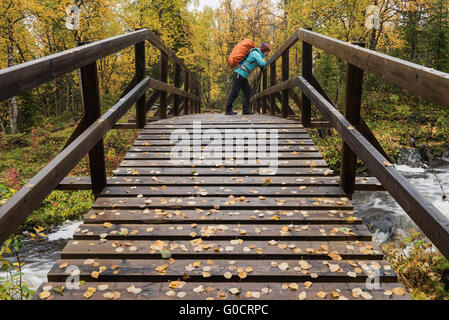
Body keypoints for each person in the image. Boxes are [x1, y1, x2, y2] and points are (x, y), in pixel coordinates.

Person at [225, 42, 271, 115]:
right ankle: (228, 110)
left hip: (242, 75)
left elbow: (253, 62)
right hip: (239, 74)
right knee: (234, 92)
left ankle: (245, 110)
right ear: (263, 50)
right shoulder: (256, 53)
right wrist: (261, 66)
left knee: (247, 92)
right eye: (267, 52)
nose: (267, 54)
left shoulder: (255, 53)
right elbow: (262, 63)